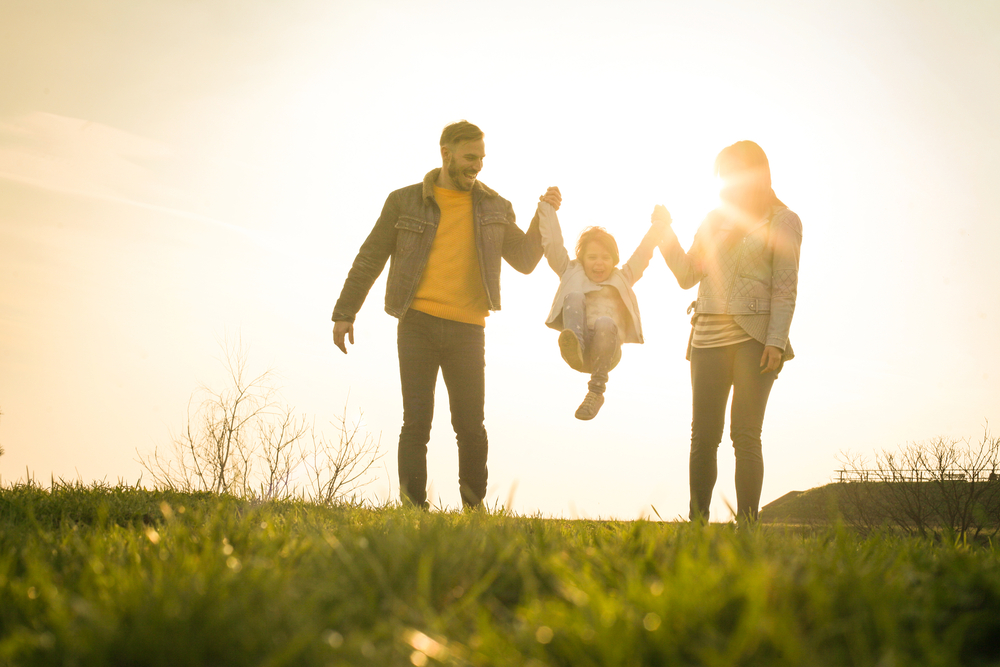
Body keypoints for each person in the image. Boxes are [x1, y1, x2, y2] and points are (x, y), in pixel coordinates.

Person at [331, 120, 561, 509]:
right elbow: (370, 257)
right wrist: (345, 311)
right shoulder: (403, 201)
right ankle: (412, 510)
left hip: (469, 329)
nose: (478, 165)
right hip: (417, 323)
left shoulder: (495, 206)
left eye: (482, 158)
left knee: (471, 427)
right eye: (470, 157)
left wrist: (543, 215)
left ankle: (474, 510)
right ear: (446, 154)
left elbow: (524, 260)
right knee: (416, 423)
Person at [655, 140, 802, 522]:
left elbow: (785, 288)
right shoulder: (713, 219)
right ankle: (697, 524)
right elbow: (688, 274)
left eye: (735, 173)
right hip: (706, 336)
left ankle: (747, 528)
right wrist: (664, 233)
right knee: (703, 438)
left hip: (755, 338)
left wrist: (775, 341)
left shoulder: (783, 221)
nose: (728, 181)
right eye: (723, 175)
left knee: (745, 435)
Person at [537, 200, 668, 420]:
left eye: (605, 258)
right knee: (575, 297)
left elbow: (644, 252)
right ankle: (575, 345)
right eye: (592, 257)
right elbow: (552, 244)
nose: (599, 264)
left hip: (608, 349)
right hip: (577, 345)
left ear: (614, 260)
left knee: (605, 322)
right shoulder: (570, 271)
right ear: (582, 259)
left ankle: (596, 392)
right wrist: (547, 208)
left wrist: (659, 224)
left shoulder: (623, 277)